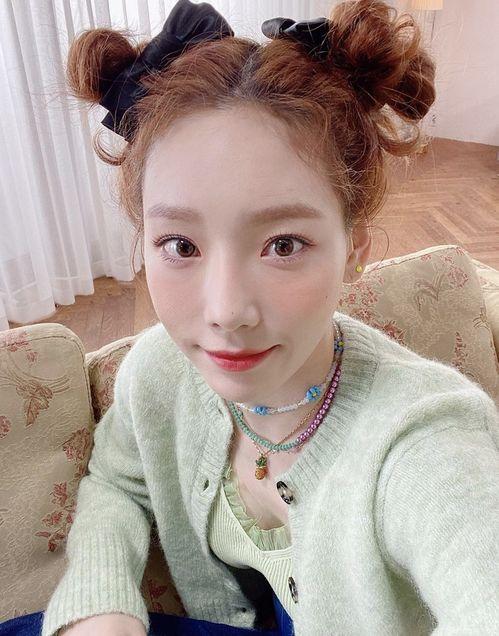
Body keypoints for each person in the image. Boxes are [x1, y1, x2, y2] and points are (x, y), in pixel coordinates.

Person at [36, 0, 499, 635]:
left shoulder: (422, 438)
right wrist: (101, 603)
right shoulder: (159, 372)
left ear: (354, 250)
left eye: (283, 244)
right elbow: (117, 482)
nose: (227, 312)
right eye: (181, 245)